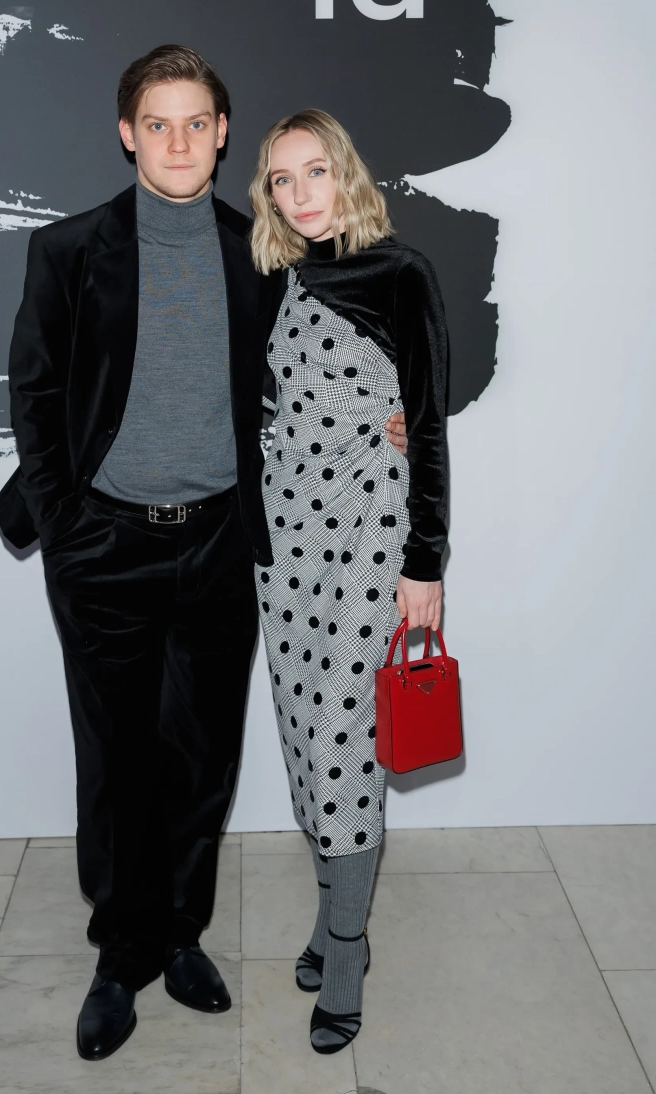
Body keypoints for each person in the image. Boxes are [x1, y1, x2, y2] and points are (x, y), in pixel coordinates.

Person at [0, 46, 407, 1061]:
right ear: (127, 134)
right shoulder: (67, 250)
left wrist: (395, 409)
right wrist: (67, 527)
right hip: (103, 550)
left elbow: (352, 318)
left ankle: (180, 935)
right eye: (157, 123)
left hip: (223, 544)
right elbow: (36, 396)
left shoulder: (258, 251)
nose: (177, 142)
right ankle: (120, 955)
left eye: (196, 123)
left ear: (222, 135)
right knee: (116, 763)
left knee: (200, 760)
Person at [249, 109, 449, 1054]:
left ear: (346, 173)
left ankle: (346, 948)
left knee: (344, 741)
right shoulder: (275, 274)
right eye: (282, 179)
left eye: (315, 172)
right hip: (286, 544)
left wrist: (424, 562)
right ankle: (334, 918)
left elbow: (430, 423)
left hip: (370, 535)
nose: (301, 194)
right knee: (304, 736)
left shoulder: (401, 273)